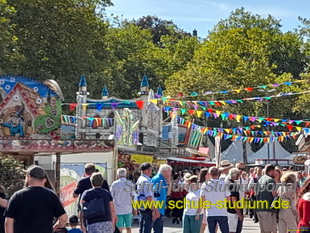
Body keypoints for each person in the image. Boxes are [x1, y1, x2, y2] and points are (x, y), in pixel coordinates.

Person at [5, 165, 68, 233]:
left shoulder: (17, 196)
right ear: (44, 180)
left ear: (29, 177)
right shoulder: (51, 196)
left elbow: (8, 222)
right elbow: (63, 219)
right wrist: (55, 227)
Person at [200, 167, 230, 233]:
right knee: (225, 231)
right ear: (218, 174)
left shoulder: (205, 184)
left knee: (211, 231)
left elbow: (202, 199)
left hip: (210, 212)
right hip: (222, 212)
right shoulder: (223, 184)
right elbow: (228, 199)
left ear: (209, 174)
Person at [111, 168, 136, 233]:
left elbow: (111, 197)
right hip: (128, 209)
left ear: (117, 175)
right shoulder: (130, 184)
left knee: (119, 228)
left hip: (118, 209)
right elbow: (134, 196)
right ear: (126, 174)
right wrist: (135, 208)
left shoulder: (114, 184)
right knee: (128, 227)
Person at [256, 164, 278, 233]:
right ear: (271, 171)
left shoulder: (260, 180)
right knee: (270, 230)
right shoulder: (270, 180)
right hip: (268, 209)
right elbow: (274, 194)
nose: (275, 173)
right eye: (274, 171)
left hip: (259, 208)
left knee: (263, 230)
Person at [151, 164, 172, 233]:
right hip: (157, 208)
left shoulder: (162, 180)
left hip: (161, 207)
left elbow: (168, 193)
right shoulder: (158, 179)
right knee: (157, 228)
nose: (170, 174)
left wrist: (169, 182)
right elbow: (154, 195)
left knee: (159, 228)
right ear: (165, 171)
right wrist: (155, 209)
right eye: (169, 171)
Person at [136, 163, 156, 233]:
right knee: (147, 227)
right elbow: (149, 196)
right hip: (147, 206)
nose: (151, 171)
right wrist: (153, 209)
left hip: (141, 205)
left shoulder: (140, 179)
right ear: (148, 170)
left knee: (141, 226)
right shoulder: (147, 181)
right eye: (151, 170)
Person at [226, 168, 243, 233]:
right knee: (232, 231)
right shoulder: (233, 185)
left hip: (226, 210)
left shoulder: (226, 183)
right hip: (232, 212)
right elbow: (234, 200)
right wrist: (239, 213)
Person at [198, 168, 209, 233]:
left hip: (204, 205)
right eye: (208, 174)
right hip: (203, 205)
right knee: (203, 224)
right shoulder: (202, 184)